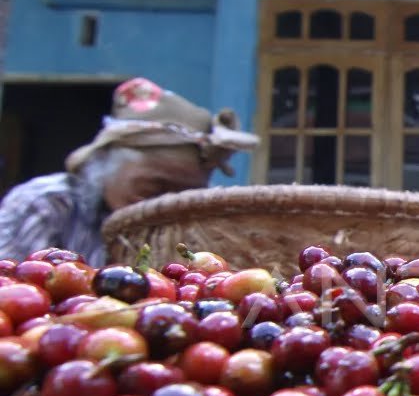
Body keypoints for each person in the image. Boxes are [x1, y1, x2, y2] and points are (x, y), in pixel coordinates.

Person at [0, 77, 259, 265]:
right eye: (152, 189)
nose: (165, 205)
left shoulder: (203, 224)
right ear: (103, 167)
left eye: (184, 195)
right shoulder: (46, 205)